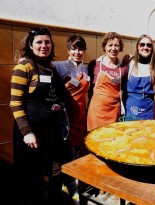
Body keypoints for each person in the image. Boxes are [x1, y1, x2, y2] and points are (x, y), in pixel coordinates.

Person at [10, 26, 69, 205]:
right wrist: (27, 132)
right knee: (28, 175)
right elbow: (15, 102)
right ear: (30, 44)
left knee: (48, 172)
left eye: (47, 42)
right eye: (39, 42)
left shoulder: (50, 68)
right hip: (30, 134)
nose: (44, 46)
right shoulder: (24, 66)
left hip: (49, 133)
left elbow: (58, 95)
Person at [53, 33, 90, 203]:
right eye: (74, 48)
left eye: (80, 48)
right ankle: (70, 190)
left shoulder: (86, 68)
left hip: (81, 116)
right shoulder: (59, 66)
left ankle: (70, 187)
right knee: (66, 156)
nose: (77, 52)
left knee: (76, 154)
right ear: (68, 49)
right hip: (66, 119)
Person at [87, 32, 128, 131]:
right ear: (104, 47)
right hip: (97, 111)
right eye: (110, 45)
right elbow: (89, 90)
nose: (113, 48)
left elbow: (123, 89)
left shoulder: (122, 68)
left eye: (116, 45)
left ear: (120, 48)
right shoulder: (95, 64)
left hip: (113, 112)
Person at [122, 34, 155, 120]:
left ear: (152, 48)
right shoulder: (129, 63)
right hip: (131, 110)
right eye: (142, 44)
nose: (145, 47)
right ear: (137, 47)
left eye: (149, 45)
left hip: (149, 111)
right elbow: (122, 88)